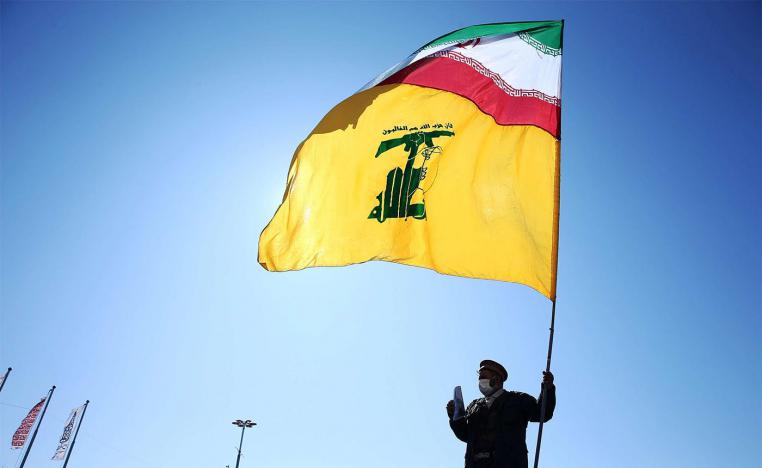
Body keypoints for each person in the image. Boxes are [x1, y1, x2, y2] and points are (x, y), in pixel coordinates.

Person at [446, 360, 556, 468]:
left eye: (483, 377)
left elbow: (543, 413)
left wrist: (548, 389)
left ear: (497, 379)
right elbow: (465, 435)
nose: (480, 381)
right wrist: (454, 417)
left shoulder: (518, 400)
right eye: (479, 378)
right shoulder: (473, 406)